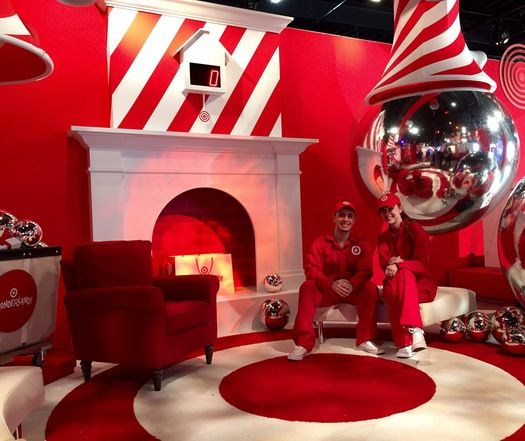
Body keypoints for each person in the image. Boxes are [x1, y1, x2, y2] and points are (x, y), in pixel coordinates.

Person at [288, 200, 383, 361]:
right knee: (307, 286)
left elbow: (365, 271)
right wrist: (330, 284)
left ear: (354, 220)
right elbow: (311, 269)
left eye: (349, 216)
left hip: (352, 291)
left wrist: (352, 284)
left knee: (370, 288)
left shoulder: (362, 243)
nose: (345, 219)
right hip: (328, 291)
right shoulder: (320, 243)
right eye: (341, 215)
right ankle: (304, 342)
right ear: (334, 218)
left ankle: (364, 339)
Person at [376, 193, 438, 358]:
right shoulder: (382, 238)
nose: (387, 213)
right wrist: (392, 264)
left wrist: (399, 264)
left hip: (423, 284)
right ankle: (408, 340)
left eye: (391, 209)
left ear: (400, 208)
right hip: (397, 284)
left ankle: (412, 333)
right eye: (383, 211)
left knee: (403, 275)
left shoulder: (414, 229)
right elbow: (385, 266)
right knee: (391, 291)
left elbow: (423, 265)